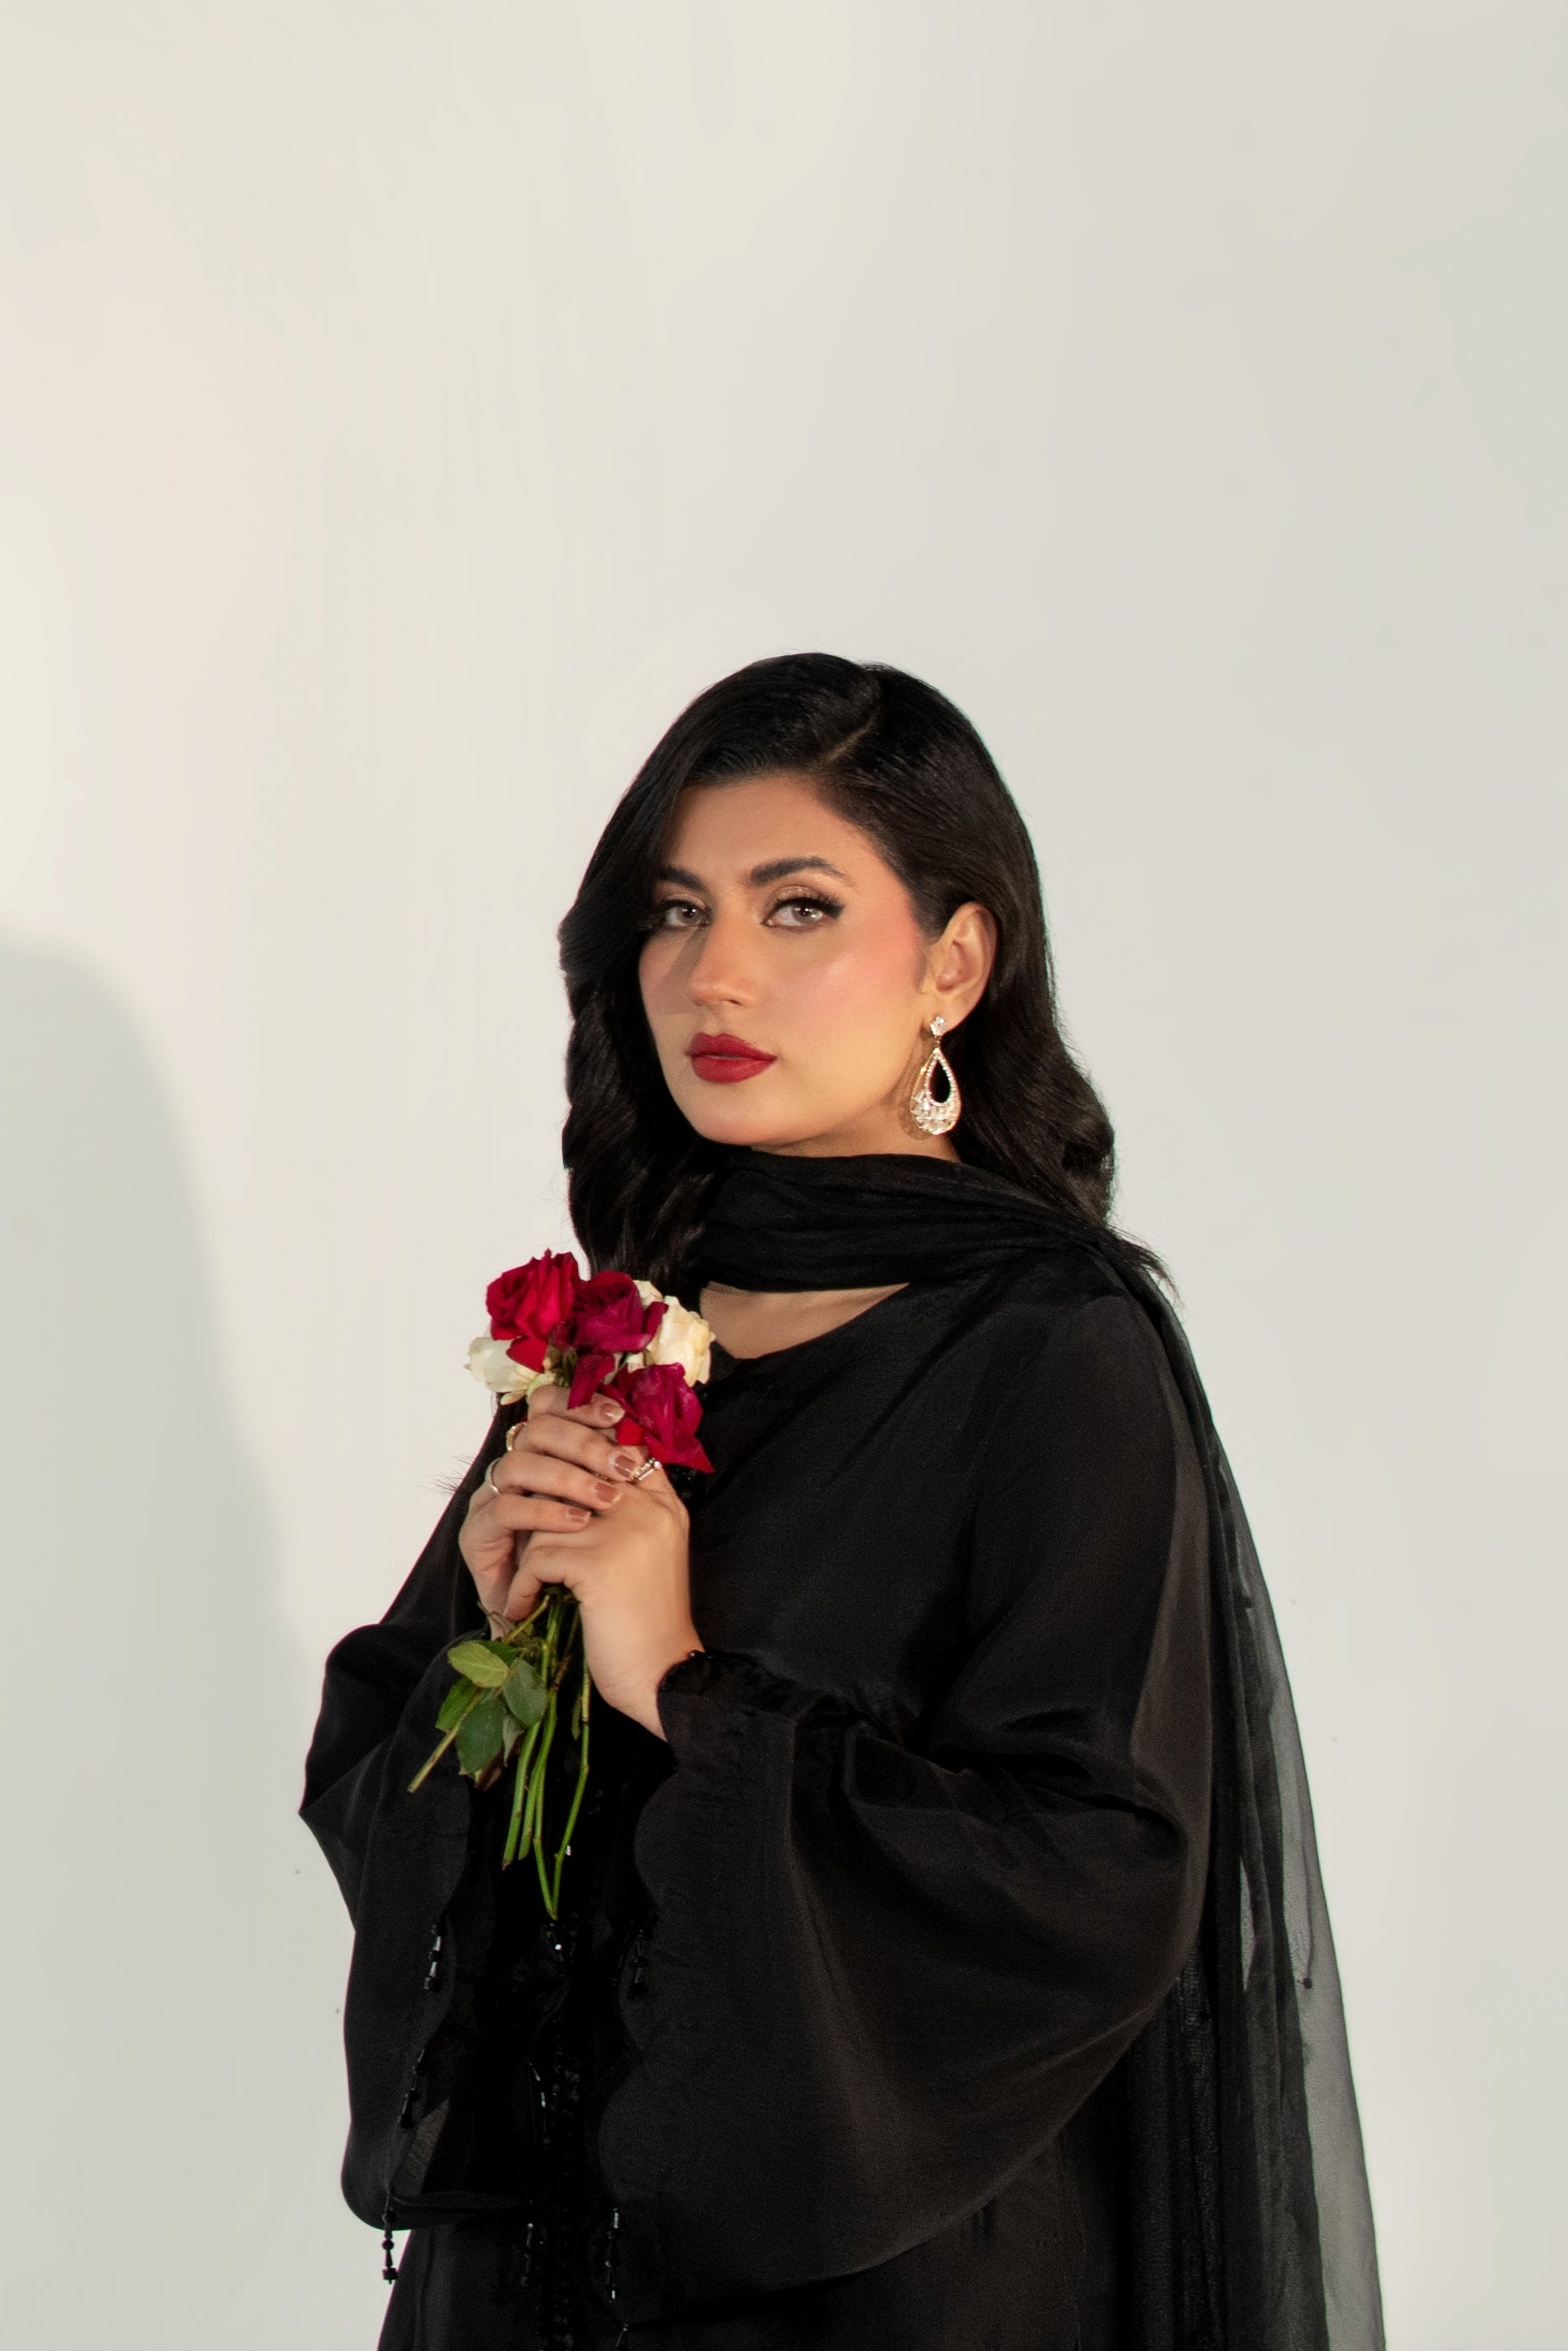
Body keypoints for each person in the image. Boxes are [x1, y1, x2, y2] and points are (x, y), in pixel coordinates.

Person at [302, 653, 1384, 2350]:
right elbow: (397, 1809)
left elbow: (1095, 1876)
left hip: (883, 2298)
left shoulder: (1049, 1349)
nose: (714, 972)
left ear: (956, 961)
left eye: (796, 907)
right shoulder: (632, 1325)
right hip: (532, 2291)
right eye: (676, 912)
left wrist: (679, 1684)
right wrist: (493, 1663)